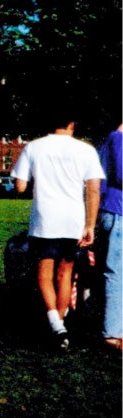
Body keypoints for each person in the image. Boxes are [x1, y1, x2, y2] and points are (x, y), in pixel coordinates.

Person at [12, 111, 105, 348]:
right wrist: (90, 225)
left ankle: (55, 324)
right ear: (73, 123)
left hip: (45, 218)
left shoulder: (33, 147)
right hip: (73, 220)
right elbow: (93, 190)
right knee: (66, 274)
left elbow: (20, 186)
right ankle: (60, 326)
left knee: (44, 273)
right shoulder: (86, 150)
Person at [95, 125, 122, 348]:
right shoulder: (119, 139)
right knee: (116, 272)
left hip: (108, 210)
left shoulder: (108, 140)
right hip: (118, 212)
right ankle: (112, 332)